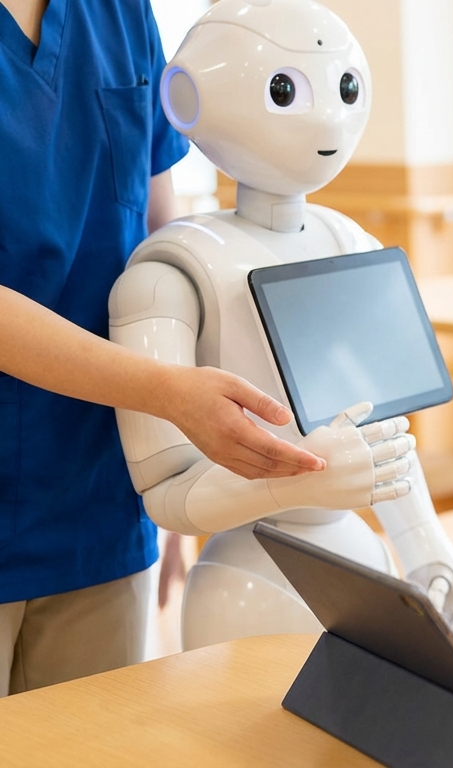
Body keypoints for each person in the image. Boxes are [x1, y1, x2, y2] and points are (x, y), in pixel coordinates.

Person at [0, 0, 321, 696]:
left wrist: (173, 463)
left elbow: (157, 240)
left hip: (99, 503)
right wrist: (169, 400)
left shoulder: (118, 13)